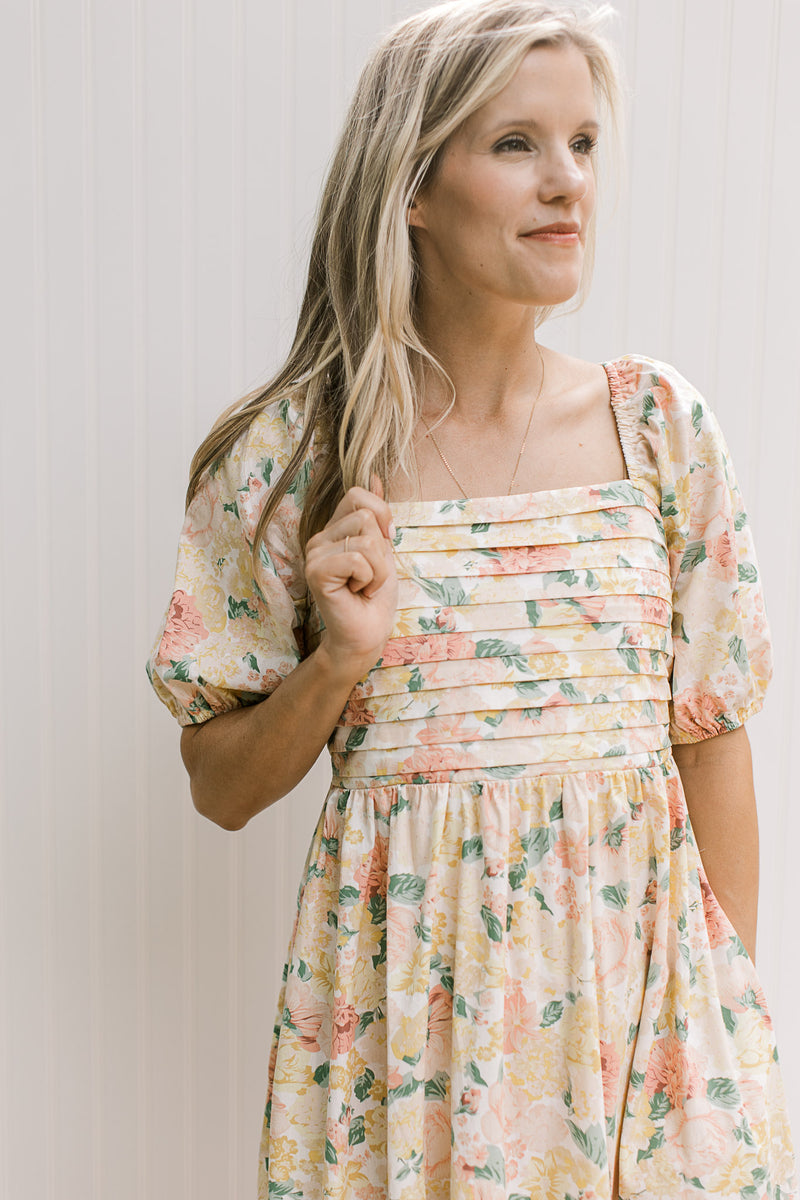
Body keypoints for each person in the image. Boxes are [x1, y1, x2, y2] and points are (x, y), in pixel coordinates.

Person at [147, 2, 798, 1196]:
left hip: (645, 1045)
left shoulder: (657, 428)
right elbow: (218, 786)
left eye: (583, 145)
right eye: (515, 145)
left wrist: (723, 1027)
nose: (566, 184)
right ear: (410, 187)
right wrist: (336, 662)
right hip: (405, 1058)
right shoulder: (291, 458)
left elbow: (710, 744)